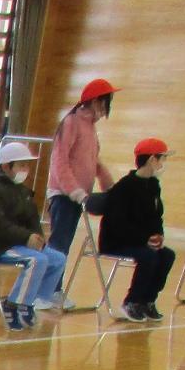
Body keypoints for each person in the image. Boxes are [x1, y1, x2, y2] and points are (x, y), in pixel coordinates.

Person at [0, 140, 66, 330]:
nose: (26, 169)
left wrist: (37, 237)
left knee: (57, 259)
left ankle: (33, 299)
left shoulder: (22, 191)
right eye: (22, 164)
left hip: (20, 243)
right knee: (37, 260)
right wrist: (25, 237)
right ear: (7, 166)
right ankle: (14, 304)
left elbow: (32, 220)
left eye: (27, 165)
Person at [98, 138, 177, 323]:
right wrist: (144, 239)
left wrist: (158, 235)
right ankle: (131, 301)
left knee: (167, 255)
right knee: (148, 256)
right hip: (117, 241)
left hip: (141, 241)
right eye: (162, 158)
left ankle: (148, 300)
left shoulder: (153, 185)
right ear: (152, 160)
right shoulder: (124, 187)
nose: (163, 163)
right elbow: (118, 223)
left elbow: (156, 216)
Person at [48, 78, 117, 290]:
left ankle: (54, 290)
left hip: (79, 197)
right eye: (106, 100)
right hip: (63, 196)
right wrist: (75, 191)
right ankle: (47, 291)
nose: (107, 106)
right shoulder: (71, 123)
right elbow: (60, 161)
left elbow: (93, 161)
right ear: (96, 101)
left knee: (64, 245)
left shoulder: (90, 127)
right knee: (58, 246)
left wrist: (110, 186)